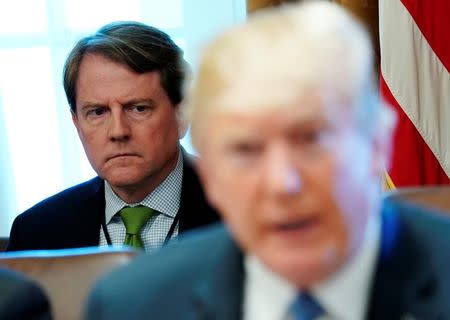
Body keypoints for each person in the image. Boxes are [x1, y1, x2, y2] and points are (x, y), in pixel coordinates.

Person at [85, 2, 450, 320]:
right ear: (210, 173)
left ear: (377, 147)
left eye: (311, 140)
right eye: (246, 151)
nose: (282, 182)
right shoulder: (134, 304)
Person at [7, 21, 219, 252]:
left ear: (182, 115)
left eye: (138, 108)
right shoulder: (36, 232)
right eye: (98, 112)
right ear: (77, 124)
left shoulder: (244, 213)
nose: (118, 131)